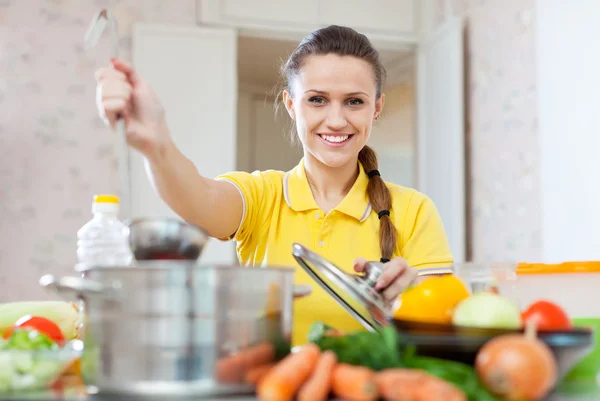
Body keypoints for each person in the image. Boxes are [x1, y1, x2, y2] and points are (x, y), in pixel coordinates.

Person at [94, 25, 454, 346]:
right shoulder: (262, 196)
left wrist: (413, 296)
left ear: (376, 108)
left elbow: (446, 331)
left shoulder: (414, 209)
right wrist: (156, 143)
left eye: (354, 102)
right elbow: (199, 200)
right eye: (317, 99)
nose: (336, 119)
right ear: (291, 104)